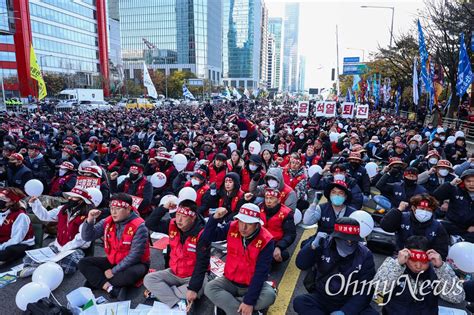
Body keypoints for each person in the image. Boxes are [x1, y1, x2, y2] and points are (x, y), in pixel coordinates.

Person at [293, 217, 377, 315]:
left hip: (349, 299)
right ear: (336, 237)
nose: (349, 243)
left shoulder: (365, 254)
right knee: (300, 302)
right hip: (323, 296)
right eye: (345, 240)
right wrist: (312, 247)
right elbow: (301, 264)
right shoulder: (323, 244)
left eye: (353, 240)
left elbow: (366, 289)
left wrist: (346, 311)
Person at [203, 204, 276, 315]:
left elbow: (261, 273)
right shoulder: (232, 226)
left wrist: (248, 301)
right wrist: (214, 218)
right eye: (241, 221)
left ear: (257, 224)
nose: (243, 227)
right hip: (229, 281)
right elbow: (208, 236)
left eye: (249, 224)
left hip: (251, 284)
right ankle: (245, 311)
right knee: (209, 288)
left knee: (270, 296)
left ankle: (229, 306)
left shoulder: (266, 240)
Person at [79, 193, 150, 299]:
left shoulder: (140, 226)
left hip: (136, 264)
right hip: (113, 260)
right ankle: (109, 287)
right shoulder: (108, 221)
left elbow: (135, 256)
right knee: (83, 263)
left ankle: (97, 281)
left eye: (118, 209)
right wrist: (90, 220)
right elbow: (87, 236)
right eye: (112, 208)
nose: (113, 212)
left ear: (128, 209)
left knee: (125, 276)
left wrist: (113, 271)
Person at [143, 200, 210, 311]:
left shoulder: (202, 234)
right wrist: (163, 208)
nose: (179, 220)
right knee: (149, 279)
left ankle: (165, 293)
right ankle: (178, 302)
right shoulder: (172, 225)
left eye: (183, 216)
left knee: (192, 292)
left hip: (194, 276)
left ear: (193, 218)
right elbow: (150, 224)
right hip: (174, 272)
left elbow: (202, 264)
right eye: (178, 215)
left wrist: (193, 288)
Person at [373, 236, 464, 314]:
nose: (418, 265)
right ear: (406, 256)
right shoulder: (394, 265)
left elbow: (457, 297)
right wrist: (397, 264)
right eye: (413, 260)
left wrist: (441, 267)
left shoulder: (437, 272)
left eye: (423, 262)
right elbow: (377, 292)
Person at [20, 186, 98, 277]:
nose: (69, 198)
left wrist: (64, 249)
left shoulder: (87, 216)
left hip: (75, 249)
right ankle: (45, 267)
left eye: (73, 197)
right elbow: (46, 216)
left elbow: (81, 239)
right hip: (58, 246)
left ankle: (42, 267)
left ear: (81, 201)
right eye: (70, 196)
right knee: (28, 258)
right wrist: (35, 204)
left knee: (69, 266)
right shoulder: (62, 209)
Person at [380, 194, 449, 259]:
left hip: (425, 261)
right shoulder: (402, 217)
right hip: (401, 257)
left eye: (429, 210)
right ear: (413, 208)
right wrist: (398, 210)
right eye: (422, 209)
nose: (425, 212)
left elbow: (442, 251)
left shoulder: (437, 226)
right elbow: (386, 226)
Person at [433, 169, 474, 242]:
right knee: (438, 225)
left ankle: (460, 239)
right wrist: (450, 184)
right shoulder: (455, 190)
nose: (471, 184)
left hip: (469, 228)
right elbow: (436, 196)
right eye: (468, 181)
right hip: (452, 224)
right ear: (463, 181)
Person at [260, 188, 296, 263]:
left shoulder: (286, 213)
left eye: (271, 198)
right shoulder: (259, 208)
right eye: (266, 198)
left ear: (279, 200)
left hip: (275, 242)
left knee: (283, 255)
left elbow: (290, 234)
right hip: (259, 239)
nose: (268, 201)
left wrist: (279, 246)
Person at [0, 188, 34, 265]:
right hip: (3, 241)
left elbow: (16, 239)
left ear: (12, 202)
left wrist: (1, 247)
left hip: (20, 244)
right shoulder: (2, 211)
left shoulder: (21, 216)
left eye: (3, 199)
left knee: (8, 251)